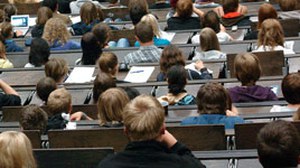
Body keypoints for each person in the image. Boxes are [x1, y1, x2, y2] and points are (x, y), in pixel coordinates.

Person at [97, 94, 206, 168]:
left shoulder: (107, 165)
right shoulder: (180, 164)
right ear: (163, 129)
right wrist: (176, 145)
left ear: (126, 131)